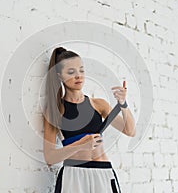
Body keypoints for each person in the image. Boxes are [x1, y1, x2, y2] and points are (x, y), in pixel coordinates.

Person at [43, 47, 136, 193]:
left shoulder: (99, 104)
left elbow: (130, 130)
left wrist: (123, 104)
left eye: (81, 70)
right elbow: (50, 157)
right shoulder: (55, 110)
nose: (78, 76)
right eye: (71, 72)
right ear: (59, 76)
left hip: (103, 174)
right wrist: (80, 145)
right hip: (73, 176)